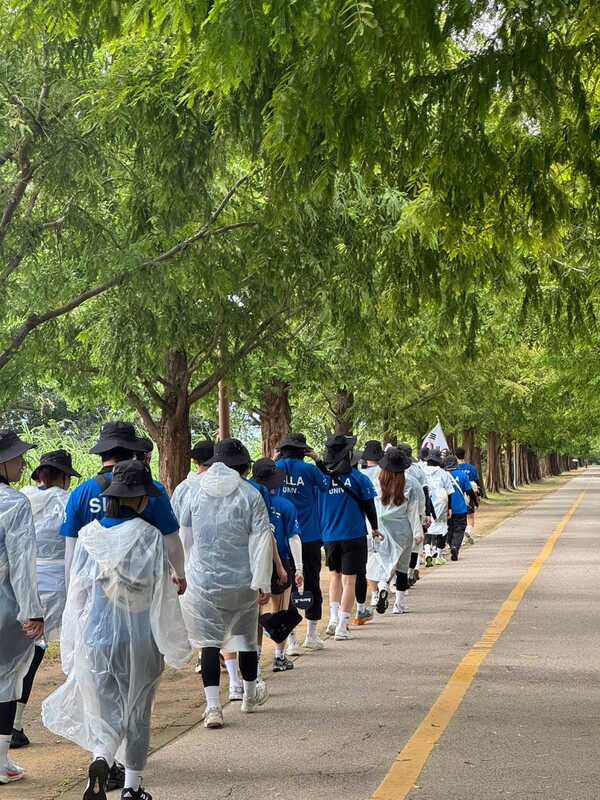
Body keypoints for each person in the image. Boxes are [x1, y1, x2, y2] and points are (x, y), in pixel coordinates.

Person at [42, 461, 192, 800]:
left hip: (97, 638)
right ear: (140, 500)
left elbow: (77, 591)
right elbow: (161, 595)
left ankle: (102, 758)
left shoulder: (88, 536)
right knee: (138, 712)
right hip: (140, 639)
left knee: (108, 710)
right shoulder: (151, 538)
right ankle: (132, 788)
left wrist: (75, 639)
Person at [179, 439, 273, 729]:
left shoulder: (194, 491)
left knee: (209, 643)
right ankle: (248, 695)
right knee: (244, 640)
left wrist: (182, 571)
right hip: (242, 580)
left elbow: (185, 534)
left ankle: (213, 708)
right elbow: (261, 541)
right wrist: (263, 582)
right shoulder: (251, 494)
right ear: (244, 466)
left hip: (203, 579)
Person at [12, 450, 81, 750]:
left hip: (21, 583)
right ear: (63, 477)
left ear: (41, 476)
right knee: (52, 650)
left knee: (23, 655)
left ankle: (13, 722)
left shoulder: (22, 499)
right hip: (57, 585)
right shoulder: (68, 502)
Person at [0, 430, 44, 784]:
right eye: (16, 457)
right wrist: (33, 612)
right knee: (5, 682)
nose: (22, 462)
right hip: (4, 606)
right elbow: (22, 564)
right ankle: (1, 762)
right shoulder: (14, 503)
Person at [319, 434, 381, 640]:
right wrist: (374, 527)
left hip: (329, 536)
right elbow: (369, 505)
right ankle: (342, 627)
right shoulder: (358, 478)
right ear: (349, 454)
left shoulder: (322, 480)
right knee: (350, 582)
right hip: (353, 535)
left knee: (335, 576)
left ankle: (333, 619)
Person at [274, 433, 330, 651]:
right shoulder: (309, 469)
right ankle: (312, 634)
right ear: (303, 451)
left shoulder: (276, 469)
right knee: (312, 582)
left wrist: (273, 458)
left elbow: (261, 478)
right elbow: (325, 485)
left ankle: (291, 640)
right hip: (308, 536)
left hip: (282, 538)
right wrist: (317, 459)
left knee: (285, 586)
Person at [251, 458, 304, 672]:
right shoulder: (285, 505)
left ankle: (254, 658)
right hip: (280, 560)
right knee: (280, 611)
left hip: (254, 561)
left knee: (256, 613)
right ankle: (279, 657)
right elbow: (293, 537)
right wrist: (298, 568)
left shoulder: (250, 502)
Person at [369, 447, 423, 614]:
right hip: (403, 529)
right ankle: (399, 604)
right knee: (402, 566)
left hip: (381, 529)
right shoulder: (411, 483)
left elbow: (371, 506)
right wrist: (418, 532)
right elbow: (414, 511)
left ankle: (382, 585)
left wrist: (371, 527)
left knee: (384, 560)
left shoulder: (377, 482)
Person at [421, 449, 454, 566]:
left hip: (426, 502)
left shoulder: (421, 471)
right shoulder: (442, 473)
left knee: (427, 528)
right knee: (441, 528)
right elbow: (450, 491)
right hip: (441, 501)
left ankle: (428, 552)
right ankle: (439, 556)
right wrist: (450, 507)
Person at [444, 455, 478, 560]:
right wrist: (476, 501)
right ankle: (455, 546)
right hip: (460, 508)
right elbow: (469, 490)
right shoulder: (462, 475)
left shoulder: (443, 475)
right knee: (459, 529)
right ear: (456, 463)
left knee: (449, 528)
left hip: (445, 508)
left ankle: (451, 545)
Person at [455, 447, 483, 543]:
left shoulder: (454, 468)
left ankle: (461, 538)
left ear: (456, 456)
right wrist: (479, 495)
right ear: (464, 455)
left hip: (458, 495)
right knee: (470, 516)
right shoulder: (471, 468)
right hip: (469, 494)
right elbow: (477, 482)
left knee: (460, 517)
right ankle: (469, 532)